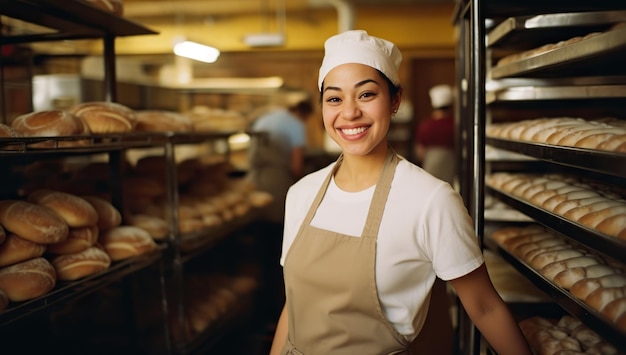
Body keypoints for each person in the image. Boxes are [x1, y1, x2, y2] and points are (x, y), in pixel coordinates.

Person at [269, 30, 531, 355]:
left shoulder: (430, 200)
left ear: (395, 100)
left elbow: (484, 307)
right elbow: (294, 307)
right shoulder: (301, 194)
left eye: (366, 95)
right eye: (334, 98)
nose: (349, 112)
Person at [247, 94, 314, 324]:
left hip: (254, 182)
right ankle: (275, 307)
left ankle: (259, 303)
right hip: (276, 184)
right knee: (276, 248)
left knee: (259, 245)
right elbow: (296, 165)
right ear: (304, 114)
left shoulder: (266, 117)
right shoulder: (296, 125)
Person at [414, 84, 456, 186]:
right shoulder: (455, 124)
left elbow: (420, 152)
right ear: (451, 107)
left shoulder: (426, 125)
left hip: (430, 166)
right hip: (451, 167)